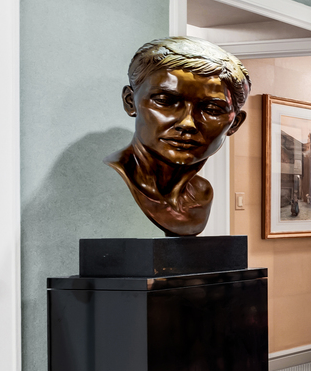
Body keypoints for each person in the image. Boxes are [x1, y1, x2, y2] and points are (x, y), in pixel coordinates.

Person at [105, 36, 250, 236]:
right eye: (165, 101)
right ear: (131, 102)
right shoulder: (106, 180)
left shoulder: (202, 193)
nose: (187, 123)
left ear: (234, 123)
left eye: (211, 109)